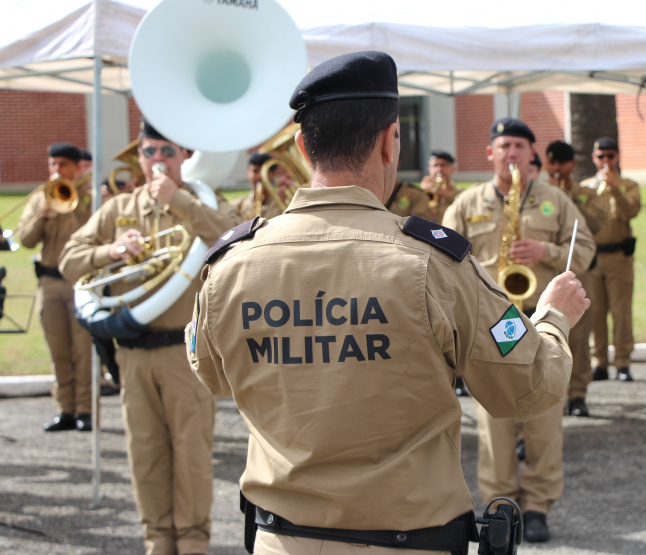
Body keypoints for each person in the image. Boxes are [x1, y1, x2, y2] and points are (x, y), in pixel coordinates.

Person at [185, 51, 589, 555]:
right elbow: (527, 387)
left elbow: (212, 373)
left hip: (281, 541)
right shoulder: (437, 263)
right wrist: (553, 317)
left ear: (301, 147)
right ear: (388, 141)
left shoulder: (231, 264)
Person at [60, 118, 242, 555]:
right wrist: (113, 251)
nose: (157, 161)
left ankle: (194, 543)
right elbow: (70, 260)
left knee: (191, 455)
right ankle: (157, 542)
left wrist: (181, 202)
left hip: (187, 354)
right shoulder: (118, 209)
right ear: (138, 158)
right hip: (134, 353)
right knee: (145, 456)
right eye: (149, 152)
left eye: (167, 152)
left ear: (184, 157)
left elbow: (236, 244)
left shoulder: (205, 200)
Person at [443, 117, 595, 543]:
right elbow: (442, 261)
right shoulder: (466, 203)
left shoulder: (556, 201)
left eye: (519, 146)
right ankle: (500, 502)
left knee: (545, 413)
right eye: (503, 145)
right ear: (490, 153)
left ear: (533, 155)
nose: (511, 153)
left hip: (542, 319)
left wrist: (545, 250)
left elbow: (584, 249)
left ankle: (538, 503)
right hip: (493, 324)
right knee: (492, 418)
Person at [16, 142, 94, 432]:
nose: (56, 170)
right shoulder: (40, 199)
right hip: (49, 282)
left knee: (82, 350)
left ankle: (86, 409)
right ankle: (66, 410)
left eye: (62, 164)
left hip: (80, 282)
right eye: (53, 164)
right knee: (58, 348)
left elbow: (96, 232)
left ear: (76, 167)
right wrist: (43, 216)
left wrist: (73, 206)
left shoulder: (90, 197)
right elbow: (26, 240)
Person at [545, 140, 607, 416]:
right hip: (547, 271)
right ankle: (549, 392)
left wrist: (566, 201)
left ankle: (578, 393)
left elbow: (596, 225)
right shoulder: (538, 193)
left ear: (572, 165)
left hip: (578, 271)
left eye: (562, 163)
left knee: (580, 335)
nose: (557, 169)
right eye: (552, 163)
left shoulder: (585, 194)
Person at [581, 137, 641, 382]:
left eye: (610, 156)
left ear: (617, 157)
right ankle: (600, 362)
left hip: (619, 257)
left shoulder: (629, 185)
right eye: (601, 156)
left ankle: (623, 362)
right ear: (594, 158)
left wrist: (615, 188)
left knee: (621, 312)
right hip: (594, 258)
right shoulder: (585, 186)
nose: (606, 161)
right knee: (595, 312)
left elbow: (631, 212)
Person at [233, 152, 296, 220]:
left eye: (264, 171)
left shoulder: (285, 201)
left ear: (272, 173)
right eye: (255, 171)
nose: (259, 176)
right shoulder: (238, 206)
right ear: (248, 172)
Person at [419, 149, 460, 224]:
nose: (439, 169)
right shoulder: (423, 191)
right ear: (429, 169)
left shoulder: (461, 193)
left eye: (443, 165)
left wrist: (450, 196)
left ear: (453, 169)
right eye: (435, 165)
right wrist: (421, 193)